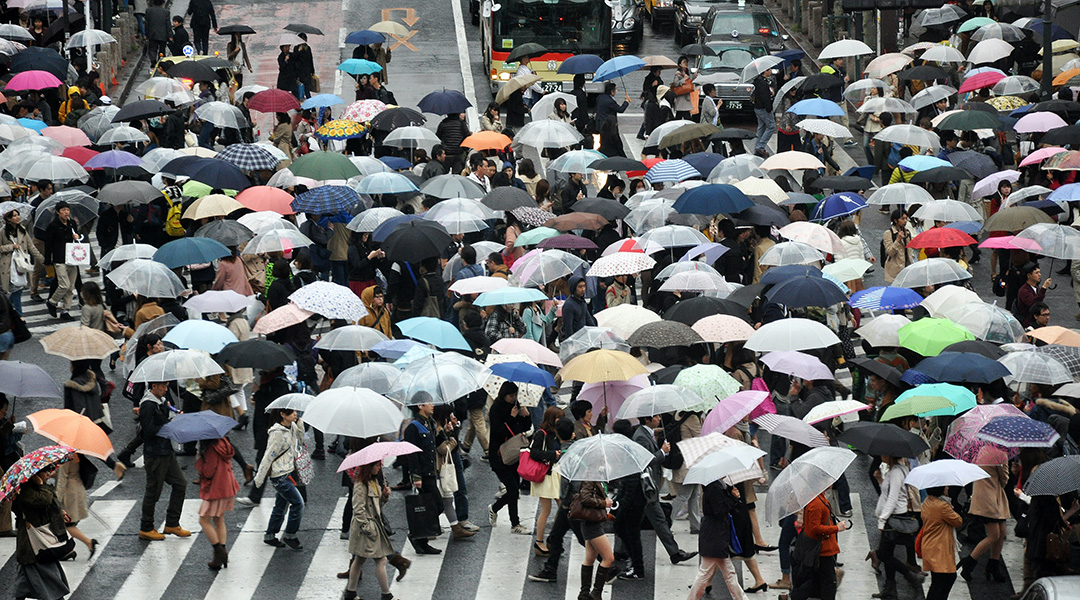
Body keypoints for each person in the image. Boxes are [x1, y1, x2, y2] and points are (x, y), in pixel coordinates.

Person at [138, 381, 192, 541]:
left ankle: (172, 523)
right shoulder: (148, 405)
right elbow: (148, 431)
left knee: (180, 484)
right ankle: (146, 527)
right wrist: (170, 424)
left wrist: (175, 417)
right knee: (153, 492)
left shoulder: (161, 401)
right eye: (163, 386)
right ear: (154, 386)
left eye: (167, 386)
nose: (165, 389)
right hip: (155, 454)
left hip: (166, 451)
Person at [13, 463, 72, 600]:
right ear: (35, 475)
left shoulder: (38, 488)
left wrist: (60, 511)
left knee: (27, 580)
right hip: (34, 544)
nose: (48, 475)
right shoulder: (27, 491)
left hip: (36, 544)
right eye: (45, 472)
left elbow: (51, 501)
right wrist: (41, 485)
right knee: (47, 579)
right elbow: (43, 500)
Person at [870, 455, 922, 598]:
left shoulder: (896, 473)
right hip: (894, 517)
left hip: (894, 518)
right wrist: (880, 480)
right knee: (888, 553)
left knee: (883, 554)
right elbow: (889, 494)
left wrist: (882, 520)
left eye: (883, 453)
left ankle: (911, 576)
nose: (881, 455)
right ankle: (890, 588)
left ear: (890, 455)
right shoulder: (896, 470)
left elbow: (892, 499)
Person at [253, 408, 305, 550]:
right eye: (291, 412)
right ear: (282, 414)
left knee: (281, 506)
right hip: (279, 475)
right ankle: (290, 535)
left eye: (295, 411)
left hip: (289, 471)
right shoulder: (277, 433)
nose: (295, 414)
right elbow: (268, 455)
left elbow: (299, 443)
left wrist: (300, 426)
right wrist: (259, 478)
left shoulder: (293, 426)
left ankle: (270, 536)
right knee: (298, 504)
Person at [344, 459, 397, 600]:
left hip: (372, 526)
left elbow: (377, 506)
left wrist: (385, 496)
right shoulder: (361, 485)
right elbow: (358, 509)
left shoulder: (374, 483)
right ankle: (386, 595)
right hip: (366, 529)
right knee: (380, 560)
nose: (379, 468)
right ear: (369, 467)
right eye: (377, 465)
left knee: (359, 560)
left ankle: (350, 592)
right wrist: (368, 528)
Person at [688, 480, 750, 600]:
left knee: (728, 573)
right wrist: (733, 498)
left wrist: (730, 494)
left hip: (716, 534)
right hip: (715, 535)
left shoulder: (714, 484)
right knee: (705, 573)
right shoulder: (713, 486)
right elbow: (719, 511)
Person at [488, 382, 532, 535]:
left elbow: (524, 428)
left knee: (514, 490)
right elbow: (500, 432)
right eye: (510, 396)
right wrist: (512, 418)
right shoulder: (496, 409)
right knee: (512, 489)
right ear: (503, 395)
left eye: (515, 395)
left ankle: (513, 522)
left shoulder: (516, 406)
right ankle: (502, 514)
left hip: (515, 454)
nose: (513, 398)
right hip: (500, 455)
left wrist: (526, 416)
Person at [402, 398, 443, 554]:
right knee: (436, 505)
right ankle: (417, 536)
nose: (432, 405)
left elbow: (432, 446)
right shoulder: (413, 428)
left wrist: (445, 431)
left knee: (431, 506)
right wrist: (416, 477)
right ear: (420, 405)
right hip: (423, 475)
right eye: (429, 403)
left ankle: (421, 538)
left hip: (431, 472)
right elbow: (412, 454)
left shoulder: (429, 423)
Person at [957, 462, 1010, 582]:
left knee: (1001, 532)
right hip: (990, 499)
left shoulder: (979, 451)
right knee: (994, 535)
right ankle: (969, 562)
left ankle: (993, 566)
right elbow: (1004, 478)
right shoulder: (999, 454)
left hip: (986, 496)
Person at [195, 435, 240, 570]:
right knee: (219, 519)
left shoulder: (211, 449)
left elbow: (208, 472)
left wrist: (200, 460)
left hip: (216, 488)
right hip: (227, 485)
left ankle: (219, 551)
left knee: (203, 520)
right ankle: (222, 554)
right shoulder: (223, 443)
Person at [570, 480, 616, 600]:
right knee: (608, 558)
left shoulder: (596, 477)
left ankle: (584, 594)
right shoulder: (589, 477)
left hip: (592, 522)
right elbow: (585, 499)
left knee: (590, 558)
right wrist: (603, 503)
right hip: (591, 524)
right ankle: (596, 593)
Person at [530, 406, 565, 556]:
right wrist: (553, 454)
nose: (560, 420)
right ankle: (540, 542)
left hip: (556, 473)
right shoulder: (541, 434)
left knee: (561, 508)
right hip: (546, 475)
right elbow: (534, 453)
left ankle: (552, 538)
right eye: (558, 418)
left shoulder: (556, 432)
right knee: (547, 509)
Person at [920, 486, 962, 600]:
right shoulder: (942, 506)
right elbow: (958, 521)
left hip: (931, 545)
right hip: (940, 548)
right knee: (945, 579)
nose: (947, 487)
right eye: (945, 486)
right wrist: (950, 506)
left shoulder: (927, 501)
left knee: (938, 581)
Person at [1, 206, 43, 315]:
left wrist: (42, 259)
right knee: (13, 290)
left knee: (18, 289)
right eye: (14, 216)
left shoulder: (22, 230)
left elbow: (31, 247)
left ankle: (8, 312)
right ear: (8, 219)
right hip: (8, 266)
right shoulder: (2, 232)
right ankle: (19, 315)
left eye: (17, 215)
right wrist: (11, 247)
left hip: (21, 264)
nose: (17, 217)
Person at [43, 200, 81, 319]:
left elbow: (78, 239)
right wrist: (48, 259)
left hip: (72, 258)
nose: (66, 212)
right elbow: (48, 244)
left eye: (67, 209)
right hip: (59, 258)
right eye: (63, 210)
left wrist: (77, 237)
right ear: (58, 212)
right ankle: (52, 302)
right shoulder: (53, 226)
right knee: (64, 285)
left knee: (70, 287)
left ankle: (66, 310)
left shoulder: (72, 224)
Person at [559, 276, 596, 341]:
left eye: (584, 286)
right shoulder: (569, 305)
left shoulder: (582, 302)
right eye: (580, 287)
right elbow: (568, 328)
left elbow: (588, 319)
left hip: (583, 338)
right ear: (573, 288)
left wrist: (596, 332)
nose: (583, 289)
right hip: (575, 340)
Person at [1015, 262, 1050, 327]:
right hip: (1027, 323)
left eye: (1039, 272)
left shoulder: (1036, 288)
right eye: (1036, 273)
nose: (1039, 275)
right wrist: (1044, 288)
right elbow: (1034, 304)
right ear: (1029, 276)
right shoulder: (1024, 290)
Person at [882, 209, 911, 285]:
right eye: (902, 218)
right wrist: (897, 240)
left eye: (906, 218)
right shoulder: (889, 233)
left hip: (906, 268)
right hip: (895, 270)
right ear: (895, 220)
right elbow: (889, 252)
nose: (905, 221)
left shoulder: (907, 232)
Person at [752, 73, 775, 157]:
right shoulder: (763, 83)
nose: (770, 71)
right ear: (765, 71)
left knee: (761, 127)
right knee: (771, 126)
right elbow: (764, 97)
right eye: (769, 70)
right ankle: (760, 147)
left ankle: (757, 147)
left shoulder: (757, 81)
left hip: (757, 107)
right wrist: (769, 108)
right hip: (763, 108)